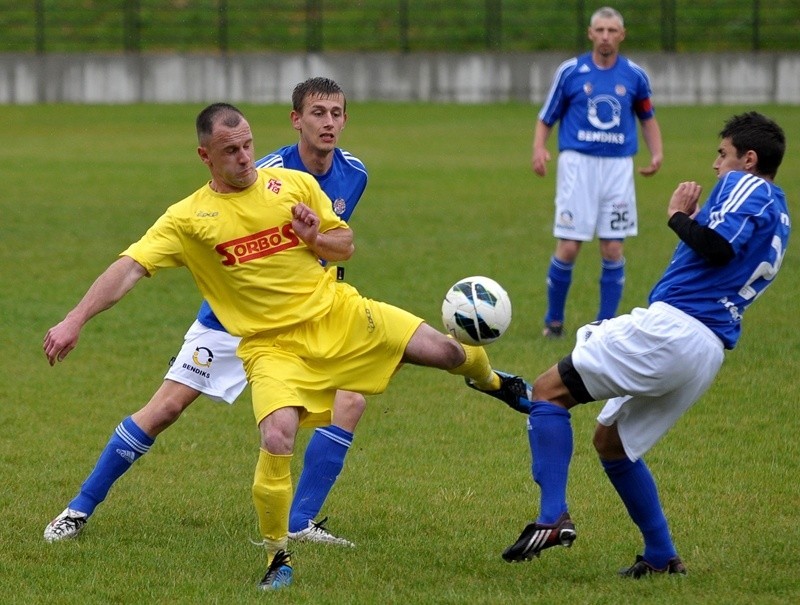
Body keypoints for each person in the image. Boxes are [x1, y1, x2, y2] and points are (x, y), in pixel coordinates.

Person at [43, 102, 527, 590]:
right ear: (205, 156)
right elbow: (129, 268)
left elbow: (345, 245)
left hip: (336, 314)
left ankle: (495, 381)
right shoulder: (188, 219)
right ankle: (277, 557)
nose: (244, 157)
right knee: (248, 430)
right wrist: (75, 319)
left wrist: (315, 237)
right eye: (230, 150)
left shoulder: (293, 186)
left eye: (248, 144)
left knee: (444, 353)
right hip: (263, 342)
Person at [43, 78, 368, 549]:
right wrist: (75, 318)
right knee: (164, 409)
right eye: (318, 113)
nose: (329, 123)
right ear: (296, 119)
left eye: (337, 113)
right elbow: (132, 266)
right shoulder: (263, 175)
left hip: (301, 321)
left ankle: (299, 521)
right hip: (229, 322)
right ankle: (78, 507)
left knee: (350, 400)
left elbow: (329, 246)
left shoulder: (354, 173)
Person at [482, 112, 788, 577]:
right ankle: (662, 555)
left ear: (749, 159)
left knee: (549, 391)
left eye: (722, 155)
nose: (716, 166)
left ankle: (552, 517)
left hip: (675, 329)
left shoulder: (749, 186)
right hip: (706, 350)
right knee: (612, 444)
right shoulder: (781, 212)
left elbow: (718, 247)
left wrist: (678, 216)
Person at [532, 6, 663, 338]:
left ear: (622, 35)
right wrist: (539, 148)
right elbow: (547, 116)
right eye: (600, 30)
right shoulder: (571, 72)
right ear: (591, 34)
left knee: (613, 247)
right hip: (578, 166)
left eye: (612, 30)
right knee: (569, 245)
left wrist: (657, 153)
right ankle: (554, 321)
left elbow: (647, 117)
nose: (606, 36)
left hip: (618, 168)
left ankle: (604, 325)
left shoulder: (634, 76)